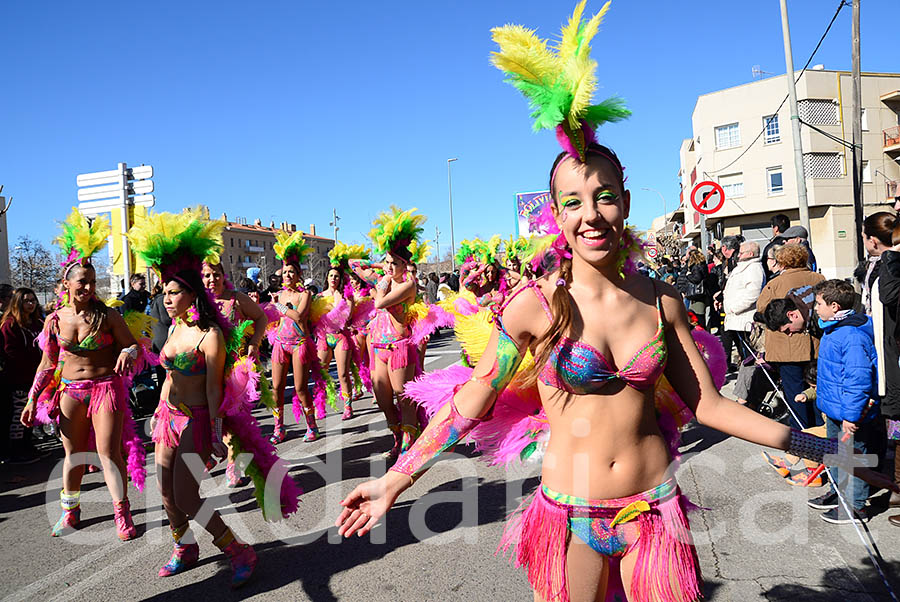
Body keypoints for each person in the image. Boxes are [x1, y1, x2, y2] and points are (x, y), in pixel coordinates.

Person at [334, 8, 894, 599]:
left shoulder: (662, 302)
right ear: (556, 214)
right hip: (569, 515)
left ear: (623, 202)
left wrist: (828, 451)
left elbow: (710, 407)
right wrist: (395, 480)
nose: (590, 215)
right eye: (572, 202)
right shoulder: (535, 307)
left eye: (603, 197)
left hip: (653, 510)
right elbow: (472, 396)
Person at [20, 209, 143, 540]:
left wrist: (126, 353)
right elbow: (47, 364)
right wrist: (32, 400)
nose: (89, 287)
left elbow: (134, 347)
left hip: (106, 388)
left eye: (92, 282)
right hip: (70, 392)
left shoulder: (108, 316)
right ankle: (70, 512)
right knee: (73, 456)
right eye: (82, 282)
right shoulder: (55, 320)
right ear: (66, 283)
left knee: (108, 453)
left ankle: (122, 513)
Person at [350, 207, 428, 459]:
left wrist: (382, 278)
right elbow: (353, 264)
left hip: (399, 347)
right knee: (383, 400)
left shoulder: (407, 284)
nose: (390, 266)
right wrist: (380, 262)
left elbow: (381, 303)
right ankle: (398, 436)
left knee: (403, 398)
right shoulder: (384, 275)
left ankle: (409, 441)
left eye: (395, 262)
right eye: (388, 262)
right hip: (378, 348)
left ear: (406, 264)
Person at [807, 280, 881, 524]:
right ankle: (838, 491)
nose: (815, 308)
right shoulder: (833, 328)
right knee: (836, 453)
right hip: (835, 406)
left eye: (819, 303)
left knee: (852, 456)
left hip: (850, 411)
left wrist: (851, 415)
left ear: (835, 306)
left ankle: (855, 505)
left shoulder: (850, 336)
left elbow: (858, 377)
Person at [201, 260, 268, 486]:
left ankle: (232, 466)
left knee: (233, 419)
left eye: (216, 274)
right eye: (207, 275)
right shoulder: (198, 302)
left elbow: (261, 317)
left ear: (223, 275)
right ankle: (214, 455)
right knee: (212, 416)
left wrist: (255, 343)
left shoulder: (236, 299)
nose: (212, 280)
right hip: (208, 369)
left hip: (234, 370)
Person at [757, 244, 826, 429]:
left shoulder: (776, 283)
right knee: (816, 388)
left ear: (782, 262)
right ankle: (820, 427)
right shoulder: (818, 278)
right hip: (815, 343)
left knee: (794, 392)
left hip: (786, 347)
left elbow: (762, 309)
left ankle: (801, 431)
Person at [269, 231, 319, 443]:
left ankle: (312, 426)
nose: (287, 275)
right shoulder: (278, 294)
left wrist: (278, 306)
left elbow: (299, 316)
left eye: (291, 272)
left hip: (300, 344)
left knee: (299, 387)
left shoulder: (304, 294)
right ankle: (278, 428)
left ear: (298, 274)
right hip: (281, 344)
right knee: (277, 387)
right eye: (285, 272)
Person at [1, 287, 44, 464]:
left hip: (35, 377)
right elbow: (9, 352)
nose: (31, 304)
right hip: (19, 378)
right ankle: (16, 449)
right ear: (18, 302)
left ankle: (27, 444)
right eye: (27, 301)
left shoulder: (37, 324)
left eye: (33, 300)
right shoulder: (9, 325)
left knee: (31, 413)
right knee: (18, 414)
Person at [721, 242, 764, 368]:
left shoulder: (754, 268)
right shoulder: (742, 267)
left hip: (743, 318)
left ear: (750, 254)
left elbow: (753, 294)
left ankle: (749, 380)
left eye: (741, 252)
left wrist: (734, 308)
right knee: (737, 350)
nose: (738, 255)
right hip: (733, 319)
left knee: (747, 354)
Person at [685, 248, 711, 328]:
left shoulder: (696, 266)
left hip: (697, 295)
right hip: (704, 293)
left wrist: (688, 275)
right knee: (704, 316)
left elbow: (697, 278)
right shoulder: (703, 265)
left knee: (698, 317)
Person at [762, 214, 790, 281]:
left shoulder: (770, 247)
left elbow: (764, 268)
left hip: (774, 281)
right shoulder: (793, 245)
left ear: (776, 228)